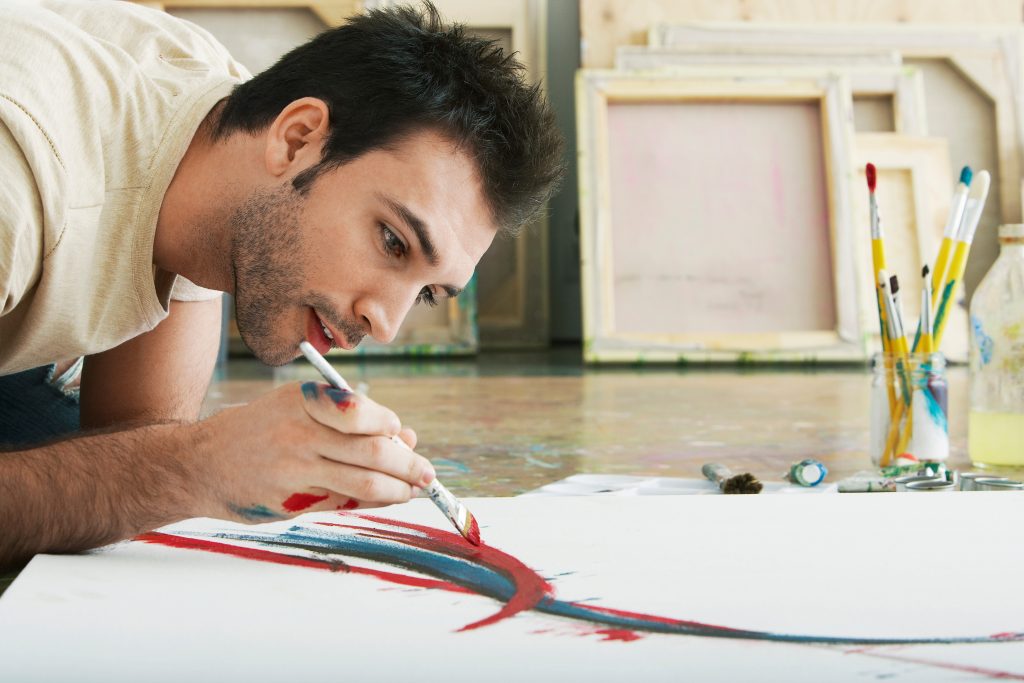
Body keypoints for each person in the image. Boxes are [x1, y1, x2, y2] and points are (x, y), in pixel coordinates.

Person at [0, 0, 564, 569]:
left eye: (425, 293)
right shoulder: (19, 184)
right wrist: (200, 465)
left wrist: (187, 462)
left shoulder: (225, 151)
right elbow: (167, 466)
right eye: (393, 241)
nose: (386, 324)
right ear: (295, 140)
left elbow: (137, 437)